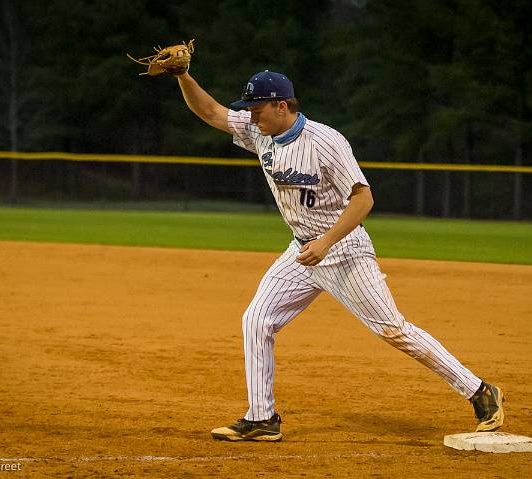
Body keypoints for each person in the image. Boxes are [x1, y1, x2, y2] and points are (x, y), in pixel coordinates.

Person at [174, 69, 505, 442]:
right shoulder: (258, 131)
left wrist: (327, 241)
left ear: (281, 105)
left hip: (344, 251)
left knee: (394, 330)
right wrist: (182, 76)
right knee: (257, 319)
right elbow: (212, 112)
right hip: (301, 250)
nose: (250, 116)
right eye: (248, 109)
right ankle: (262, 418)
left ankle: (480, 391)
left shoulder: (325, 141)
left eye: (257, 109)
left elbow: (363, 199)